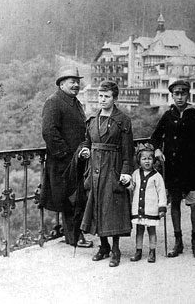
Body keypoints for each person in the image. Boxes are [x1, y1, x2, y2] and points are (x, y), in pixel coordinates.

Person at [150, 80, 195, 259]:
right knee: (175, 203)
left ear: (188, 95)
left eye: (183, 93)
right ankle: (178, 241)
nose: (180, 97)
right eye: (176, 94)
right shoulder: (168, 115)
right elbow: (155, 138)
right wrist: (158, 149)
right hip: (174, 169)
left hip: (192, 168)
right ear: (172, 95)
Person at [78, 80, 134, 267]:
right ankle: (103, 246)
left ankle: (115, 249)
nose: (102, 100)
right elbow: (86, 141)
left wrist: (126, 172)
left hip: (113, 167)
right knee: (96, 206)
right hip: (94, 169)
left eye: (107, 96)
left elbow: (128, 150)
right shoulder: (92, 119)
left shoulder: (123, 120)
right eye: (100, 96)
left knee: (113, 207)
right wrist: (85, 150)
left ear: (114, 98)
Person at [41, 66, 92, 248]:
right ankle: (74, 237)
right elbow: (49, 131)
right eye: (72, 81)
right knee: (70, 199)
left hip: (77, 160)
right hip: (62, 162)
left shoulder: (75, 102)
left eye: (77, 82)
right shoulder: (53, 102)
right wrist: (66, 155)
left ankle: (75, 234)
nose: (76, 85)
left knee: (77, 198)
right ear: (62, 83)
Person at [129, 143, 167, 263]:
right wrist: (127, 183)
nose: (147, 161)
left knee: (151, 230)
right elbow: (132, 187)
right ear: (139, 160)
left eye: (149, 158)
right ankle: (138, 250)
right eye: (144, 159)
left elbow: (161, 193)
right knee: (139, 230)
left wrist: (162, 208)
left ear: (153, 160)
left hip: (151, 209)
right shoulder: (135, 174)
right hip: (139, 209)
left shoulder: (157, 176)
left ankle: (152, 251)